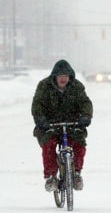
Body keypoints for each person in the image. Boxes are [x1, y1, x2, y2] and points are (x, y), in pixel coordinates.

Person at [31, 59, 93, 192]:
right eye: (60, 76)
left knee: (79, 143)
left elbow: (85, 102)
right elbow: (37, 104)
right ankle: (51, 176)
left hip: (73, 123)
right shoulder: (44, 86)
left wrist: (86, 116)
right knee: (49, 144)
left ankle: (76, 173)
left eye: (66, 76)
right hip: (50, 125)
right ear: (55, 76)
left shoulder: (77, 87)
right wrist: (41, 119)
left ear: (70, 76)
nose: (63, 79)